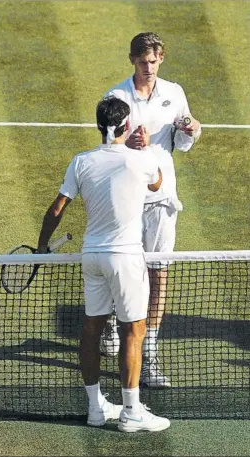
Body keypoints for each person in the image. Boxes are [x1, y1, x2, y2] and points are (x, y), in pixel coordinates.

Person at [37, 96, 170, 433]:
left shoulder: (81, 162)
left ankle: (96, 409)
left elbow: (55, 210)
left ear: (99, 126)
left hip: (91, 257)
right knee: (132, 332)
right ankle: (131, 412)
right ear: (126, 127)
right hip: (126, 260)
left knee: (91, 330)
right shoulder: (141, 161)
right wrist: (146, 147)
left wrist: (41, 248)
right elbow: (157, 184)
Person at [100, 32, 202, 388]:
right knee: (123, 268)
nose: (148, 67)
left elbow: (185, 139)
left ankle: (151, 355)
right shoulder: (116, 96)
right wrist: (132, 142)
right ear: (132, 60)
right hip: (126, 197)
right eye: (142, 61)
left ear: (161, 59)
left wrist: (192, 129)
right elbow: (107, 145)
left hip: (162, 199)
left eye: (154, 61)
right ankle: (113, 323)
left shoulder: (174, 93)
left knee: (158, 274)